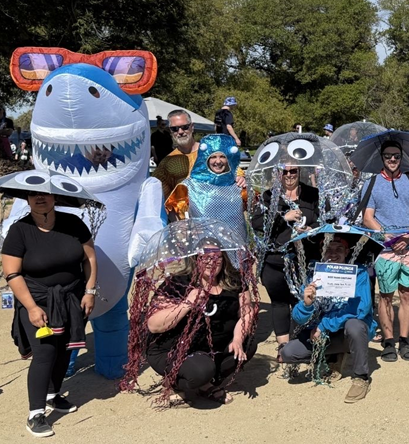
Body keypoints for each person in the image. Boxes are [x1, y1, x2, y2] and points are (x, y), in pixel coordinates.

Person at [1, 192, 98, 438]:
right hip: (36, 300)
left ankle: (53, 395)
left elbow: (90, 259)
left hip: (73, 298)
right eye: (33, 195)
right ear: (27, 200)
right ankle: (36, 413)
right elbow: (12, 274)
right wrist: (32, 308)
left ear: (55, 197)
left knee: (66, 348)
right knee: (45, 352)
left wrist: (90, 291)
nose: (39, 198)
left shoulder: (73, 224)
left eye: (44, 194)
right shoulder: (19, 230)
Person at [142, 241, 257, 406]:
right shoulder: (178, 283)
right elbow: (153, 325)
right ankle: (179, 382)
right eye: (205, 257)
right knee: (201, 370)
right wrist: (187, 303)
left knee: (249, 343)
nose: (212, 262)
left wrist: (238, 338)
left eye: (217, 257)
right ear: (196, 259)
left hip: (210, 348)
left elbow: (247, 313)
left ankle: (208, 383)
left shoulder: (235, 281)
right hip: (172, 349)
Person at [278, 235, 375, 402]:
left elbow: (361, 309)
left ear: (347, 252)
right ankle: (334, 356)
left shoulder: (359, 272)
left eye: (339, 249)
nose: (333, 253)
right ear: (322, 252)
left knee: (355, 325)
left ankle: (361, 377)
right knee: (287, 353)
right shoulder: (315, 276)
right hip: (324, 336)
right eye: (328, 249)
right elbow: (298, 318)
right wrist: (306, 305)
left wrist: (324, 325)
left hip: (346, 331)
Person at [362, 140, 409, 362]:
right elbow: (367, 217)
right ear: (382, 157)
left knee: (407, 294)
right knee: (386, 296)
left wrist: (408, 236)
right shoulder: (372, 183)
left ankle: (405, 340)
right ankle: (389, 340)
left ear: (401, 157)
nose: (392, 160)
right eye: (388, 155)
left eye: (396, 156)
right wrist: (388, 237)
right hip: (385, 249)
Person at [249, 164, 321, 351]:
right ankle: (283, 347)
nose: (289, 175)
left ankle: (300, 345)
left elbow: (324, 220)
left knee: (301, 301)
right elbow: (256, 223)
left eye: (293, 171)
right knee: (279, 303)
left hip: (304, 259)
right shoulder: (268, 196)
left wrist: (311, 230)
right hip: (275, 259)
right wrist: (283, 217)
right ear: (278, 173)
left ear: (300, 172)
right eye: (284, 171)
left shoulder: (312, 194)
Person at [153, 110, 201, 200]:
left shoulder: (212, 152)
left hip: (216, 210)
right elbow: (159, 196)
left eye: (185, 127)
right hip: (185, 212)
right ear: (170, 130)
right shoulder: (167, 163)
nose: (180, 131)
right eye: (175, 129)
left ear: (192, 127)